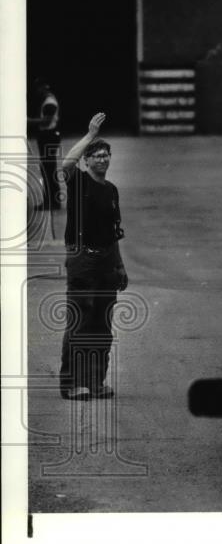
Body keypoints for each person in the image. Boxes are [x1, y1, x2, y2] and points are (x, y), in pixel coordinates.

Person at [59, 112, 128, 400]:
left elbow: (115, 233)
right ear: (87, 161)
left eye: (105, 154)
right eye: (96, 155)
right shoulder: (79, 183)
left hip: (106, 263)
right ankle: (71, 384)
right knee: (80, 322)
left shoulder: (112, 191)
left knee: (102, 326)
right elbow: (66, 163)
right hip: (82, 260)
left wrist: (120, 267)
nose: (102, 159)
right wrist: (89, 135)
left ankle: (96, 382)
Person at [27, 80, 62, 212]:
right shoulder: (48, 100)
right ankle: (51, 201)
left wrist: (28, 121)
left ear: (44, 87)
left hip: (49, 136)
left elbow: (47, 121)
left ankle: (52, 202)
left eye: (39, 88)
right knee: (47, 169)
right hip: (48, 136)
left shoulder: (49, 101)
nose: (38, 91)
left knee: (48, 170)